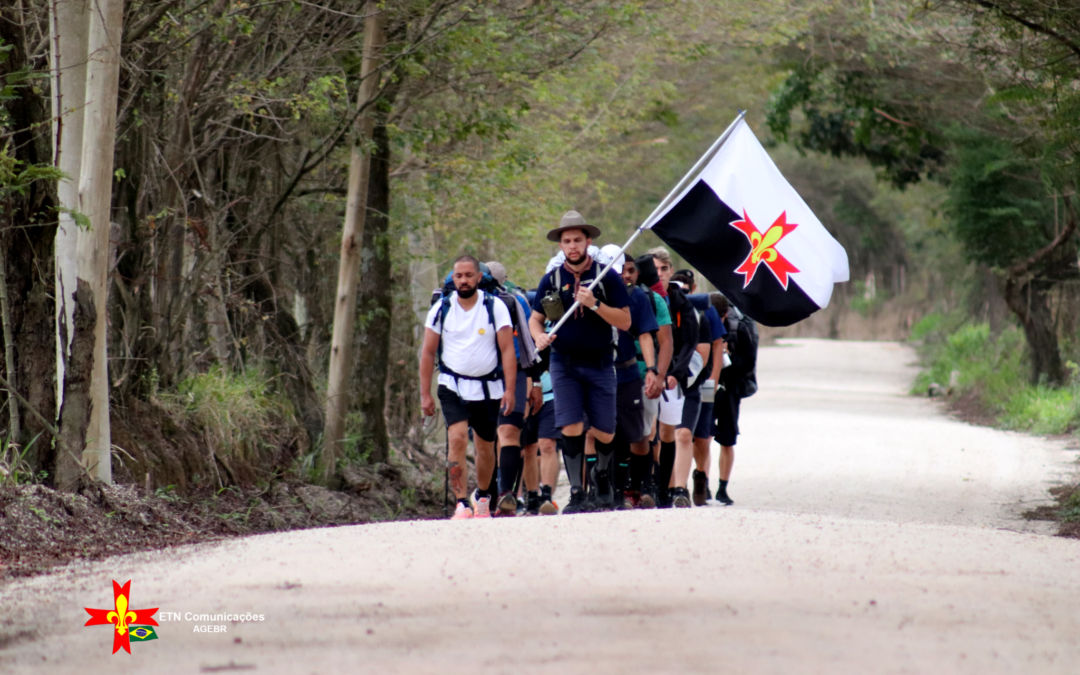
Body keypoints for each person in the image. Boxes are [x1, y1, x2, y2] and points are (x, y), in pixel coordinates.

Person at [530, 211, 631, 515]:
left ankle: (601, 476)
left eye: (577, 240)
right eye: (567, 241)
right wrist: (539, 337)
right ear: (560, 245)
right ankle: (576, 492)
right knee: (571, 426)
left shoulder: (606, 276)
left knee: (605, 431)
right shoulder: (552, 279)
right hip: (564, 363)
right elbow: (535, 320)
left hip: (601, 362)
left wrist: (595, 304)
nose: (572, 246)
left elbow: (625, 321)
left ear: (588, 241)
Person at [420, 255, 517, 520]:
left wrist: (510, 390)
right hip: (452, 385)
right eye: (459, 276)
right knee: (457, 438)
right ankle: (461, 502)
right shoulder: (441, 309)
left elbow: (508, 350)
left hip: (488, 388)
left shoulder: (495, 306)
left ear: (478, 277)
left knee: (485, 448)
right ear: (453, 278)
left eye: (469, 275)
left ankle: (483, 497)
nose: (463, 280)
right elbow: (428, 352)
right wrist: (425, 394)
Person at [578, 244, 659, 511]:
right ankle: (593, 491)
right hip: (594, 371)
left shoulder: (636, 296)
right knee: (593, 433)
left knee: (628, 435)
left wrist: (651, 369)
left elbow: (645, 334)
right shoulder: (585, 292)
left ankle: (625, 490)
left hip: (626, 373)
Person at [485, 261, 545, 516]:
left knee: (508, 432)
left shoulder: (515, 302)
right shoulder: (466, 304)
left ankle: (505, 495)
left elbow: (529, 345)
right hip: (481, 377)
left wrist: (535, 382)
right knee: (488, 438)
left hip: (515, 373)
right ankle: (487, 495)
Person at [646, 247, 702, 508]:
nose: (659, 274)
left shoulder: (681, 302)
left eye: (664, 269)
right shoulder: (640, 297)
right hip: (645, 370)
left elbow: (690, 342)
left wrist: (675, 374)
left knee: (668, 431)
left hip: (674, 375)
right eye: (654, 269)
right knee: (647, 431)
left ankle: (668, 489)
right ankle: (647, 484)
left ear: (670, 270)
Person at [622, 255, 673, 508]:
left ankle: (638, 487)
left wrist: (659, 376)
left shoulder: (653, 300)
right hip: (610, 374)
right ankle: (608, 488)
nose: (626, 275)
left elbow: (666, 341)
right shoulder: (601, 297)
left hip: (644, 375)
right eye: (621, 271)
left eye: (631, 270)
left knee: (642, 435)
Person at [680, 270, 728, 506]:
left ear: (693, 287)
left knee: (703, 436)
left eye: (686, 287)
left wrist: (715, 377)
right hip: (680, 381)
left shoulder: (705, 309)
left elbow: (718, 344)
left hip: (706, 382)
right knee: (681, 434)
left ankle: (701, 475)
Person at [711, 292, 756, 506]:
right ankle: (701, 482)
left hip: (730, 389)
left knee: (728, 439)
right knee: (701, 436)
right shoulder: (700, 325)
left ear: (725, 315)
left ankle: (722, 488)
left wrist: (728, 357)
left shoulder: (739, 329)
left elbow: (749, 363)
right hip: (707, 386)